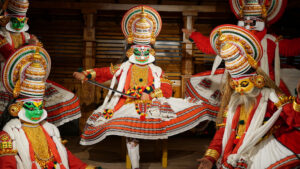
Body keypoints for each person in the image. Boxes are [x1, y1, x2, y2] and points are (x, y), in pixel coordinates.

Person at [74, 6, 210, 169]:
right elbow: (103, 72)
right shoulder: (124, 67)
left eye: (146, 50)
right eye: (138, 50)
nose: (142, 54)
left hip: (152, 104)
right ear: (131, 51)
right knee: (132, 134)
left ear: (152, 51)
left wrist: (150, 94)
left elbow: (166, 90)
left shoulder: (158, 71)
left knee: (163, 121)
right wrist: (86, 74)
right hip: (127, 104)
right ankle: (135, 167)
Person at [197, 24, 300, 169]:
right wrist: (210, 157)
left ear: (256, 80)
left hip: (262, 150)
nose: (239, 89)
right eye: (235, 85)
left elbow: (295, 120)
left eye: (243, 84)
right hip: (234, 152)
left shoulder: (270, 96)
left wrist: (299, 99)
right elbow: (222, 133)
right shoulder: (233, 102)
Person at [0, 45, 101, 169]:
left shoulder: (50, 129)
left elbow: (65, 155)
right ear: (17, 108)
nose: (37, 111)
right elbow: (7, 164)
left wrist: (85, 167)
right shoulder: (9, 133)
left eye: (40, 107)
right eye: (32, 108)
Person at [0, 0, 81, 126]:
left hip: (27, 75)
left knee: (65, 97)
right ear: (8, 19)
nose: (19, 23)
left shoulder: (27, 35)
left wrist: (34, 46)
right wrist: (29, 45)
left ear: (25, 20)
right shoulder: (2, 36)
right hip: (6, 76)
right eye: (15, 20)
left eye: (22, 20)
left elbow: (37, 54)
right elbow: (9, 54)